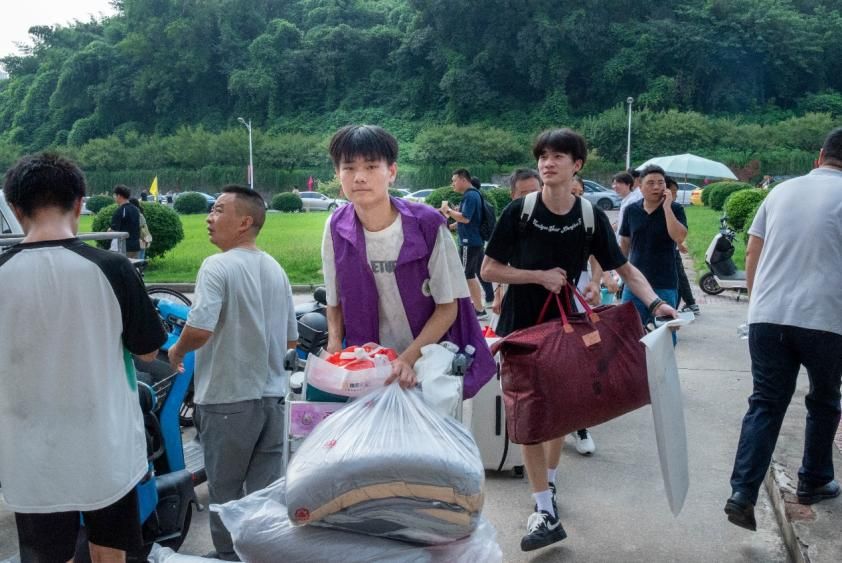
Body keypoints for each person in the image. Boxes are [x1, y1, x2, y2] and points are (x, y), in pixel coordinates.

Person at [481, 128, 677, 552]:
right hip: (521, 328)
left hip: (566, 325)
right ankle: (543, 509)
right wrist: (538, 276)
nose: (547, 163)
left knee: (559, 411)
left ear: (577, 166)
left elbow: (626, 270)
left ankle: (548, 487)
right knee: (530, 417)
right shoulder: (520, 212)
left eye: (557, 156)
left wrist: (657, 303)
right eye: (543, 156)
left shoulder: (589, 216)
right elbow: (489, 269)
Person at [0, 153, 166, 563]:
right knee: (110, 549)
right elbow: (147, 350)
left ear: (16, 209)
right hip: (105, 444)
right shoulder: (113, 268)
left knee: (46, 554)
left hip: (28, 451)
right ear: (79, 203)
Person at [168, 185, 298, 560]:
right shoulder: (275, 269)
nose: (209, 218)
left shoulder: (217, 266)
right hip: (273, 400)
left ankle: (228, 557)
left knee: (225, 496)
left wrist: (177, 350)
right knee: (263, 498)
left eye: (219, 210)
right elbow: (291, 340)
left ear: (244, 222)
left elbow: (199, 329)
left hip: (227, 400)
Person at [725, 127, 842, 531]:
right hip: (826, 318)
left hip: (767, 315)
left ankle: (742, 492)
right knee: (824, 399)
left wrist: (757, 304)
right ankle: (813, 480)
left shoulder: (780, 191)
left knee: (766, 402)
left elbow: (752, 249)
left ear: (819, 156)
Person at [322, 125, 494, 395]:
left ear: (391, 172)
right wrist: (334, 346)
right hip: (368, 367)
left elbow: (448, 306)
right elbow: (334, 302)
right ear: (337, 174)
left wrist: (407, 359)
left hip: (427, 364)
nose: (359, 177)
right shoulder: (335, 227)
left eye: (371, 166)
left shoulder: (427, 225)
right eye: (349, 168)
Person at [619, 165, 688, 327]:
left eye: (660, 182)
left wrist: (667, 208)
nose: (656, 187)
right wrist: (620, 275)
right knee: (630, 331)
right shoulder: (631, 210)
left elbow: (679, 236)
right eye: (651, 183)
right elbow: (624, 244)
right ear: (640, 186)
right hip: (635, 282)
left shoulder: (676, 209)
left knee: (665, 332)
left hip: (665, 282)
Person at [440, 168, 487, 319]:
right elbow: (468, 219)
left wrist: (447, 210)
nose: (452, 184)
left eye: (454, 180)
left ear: (463, 180)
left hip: (469, 241)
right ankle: (479, 307)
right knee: (471, 274)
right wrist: (452, 224)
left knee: (467, 275)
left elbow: (465, 218)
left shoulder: (470, 195)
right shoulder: (473, 194)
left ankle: (478, 309)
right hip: (474, 240)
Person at [665, 177, 699, 315]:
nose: (675, 195)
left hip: (671, 251)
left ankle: (689, 304)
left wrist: (679, 243)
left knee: (679, 277)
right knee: (679, 276)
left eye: (675, 192)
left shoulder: (676, 208)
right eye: (673, 191)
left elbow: (678, 232)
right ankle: (689, 303)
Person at [110, 185, 141, 258]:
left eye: (114, 195)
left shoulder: (119, 211)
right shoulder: (136, 209)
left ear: (119, 196)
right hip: (135, 246)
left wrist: (109, 230)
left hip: (123, 247)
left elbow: (114, 230)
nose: (114, 197)